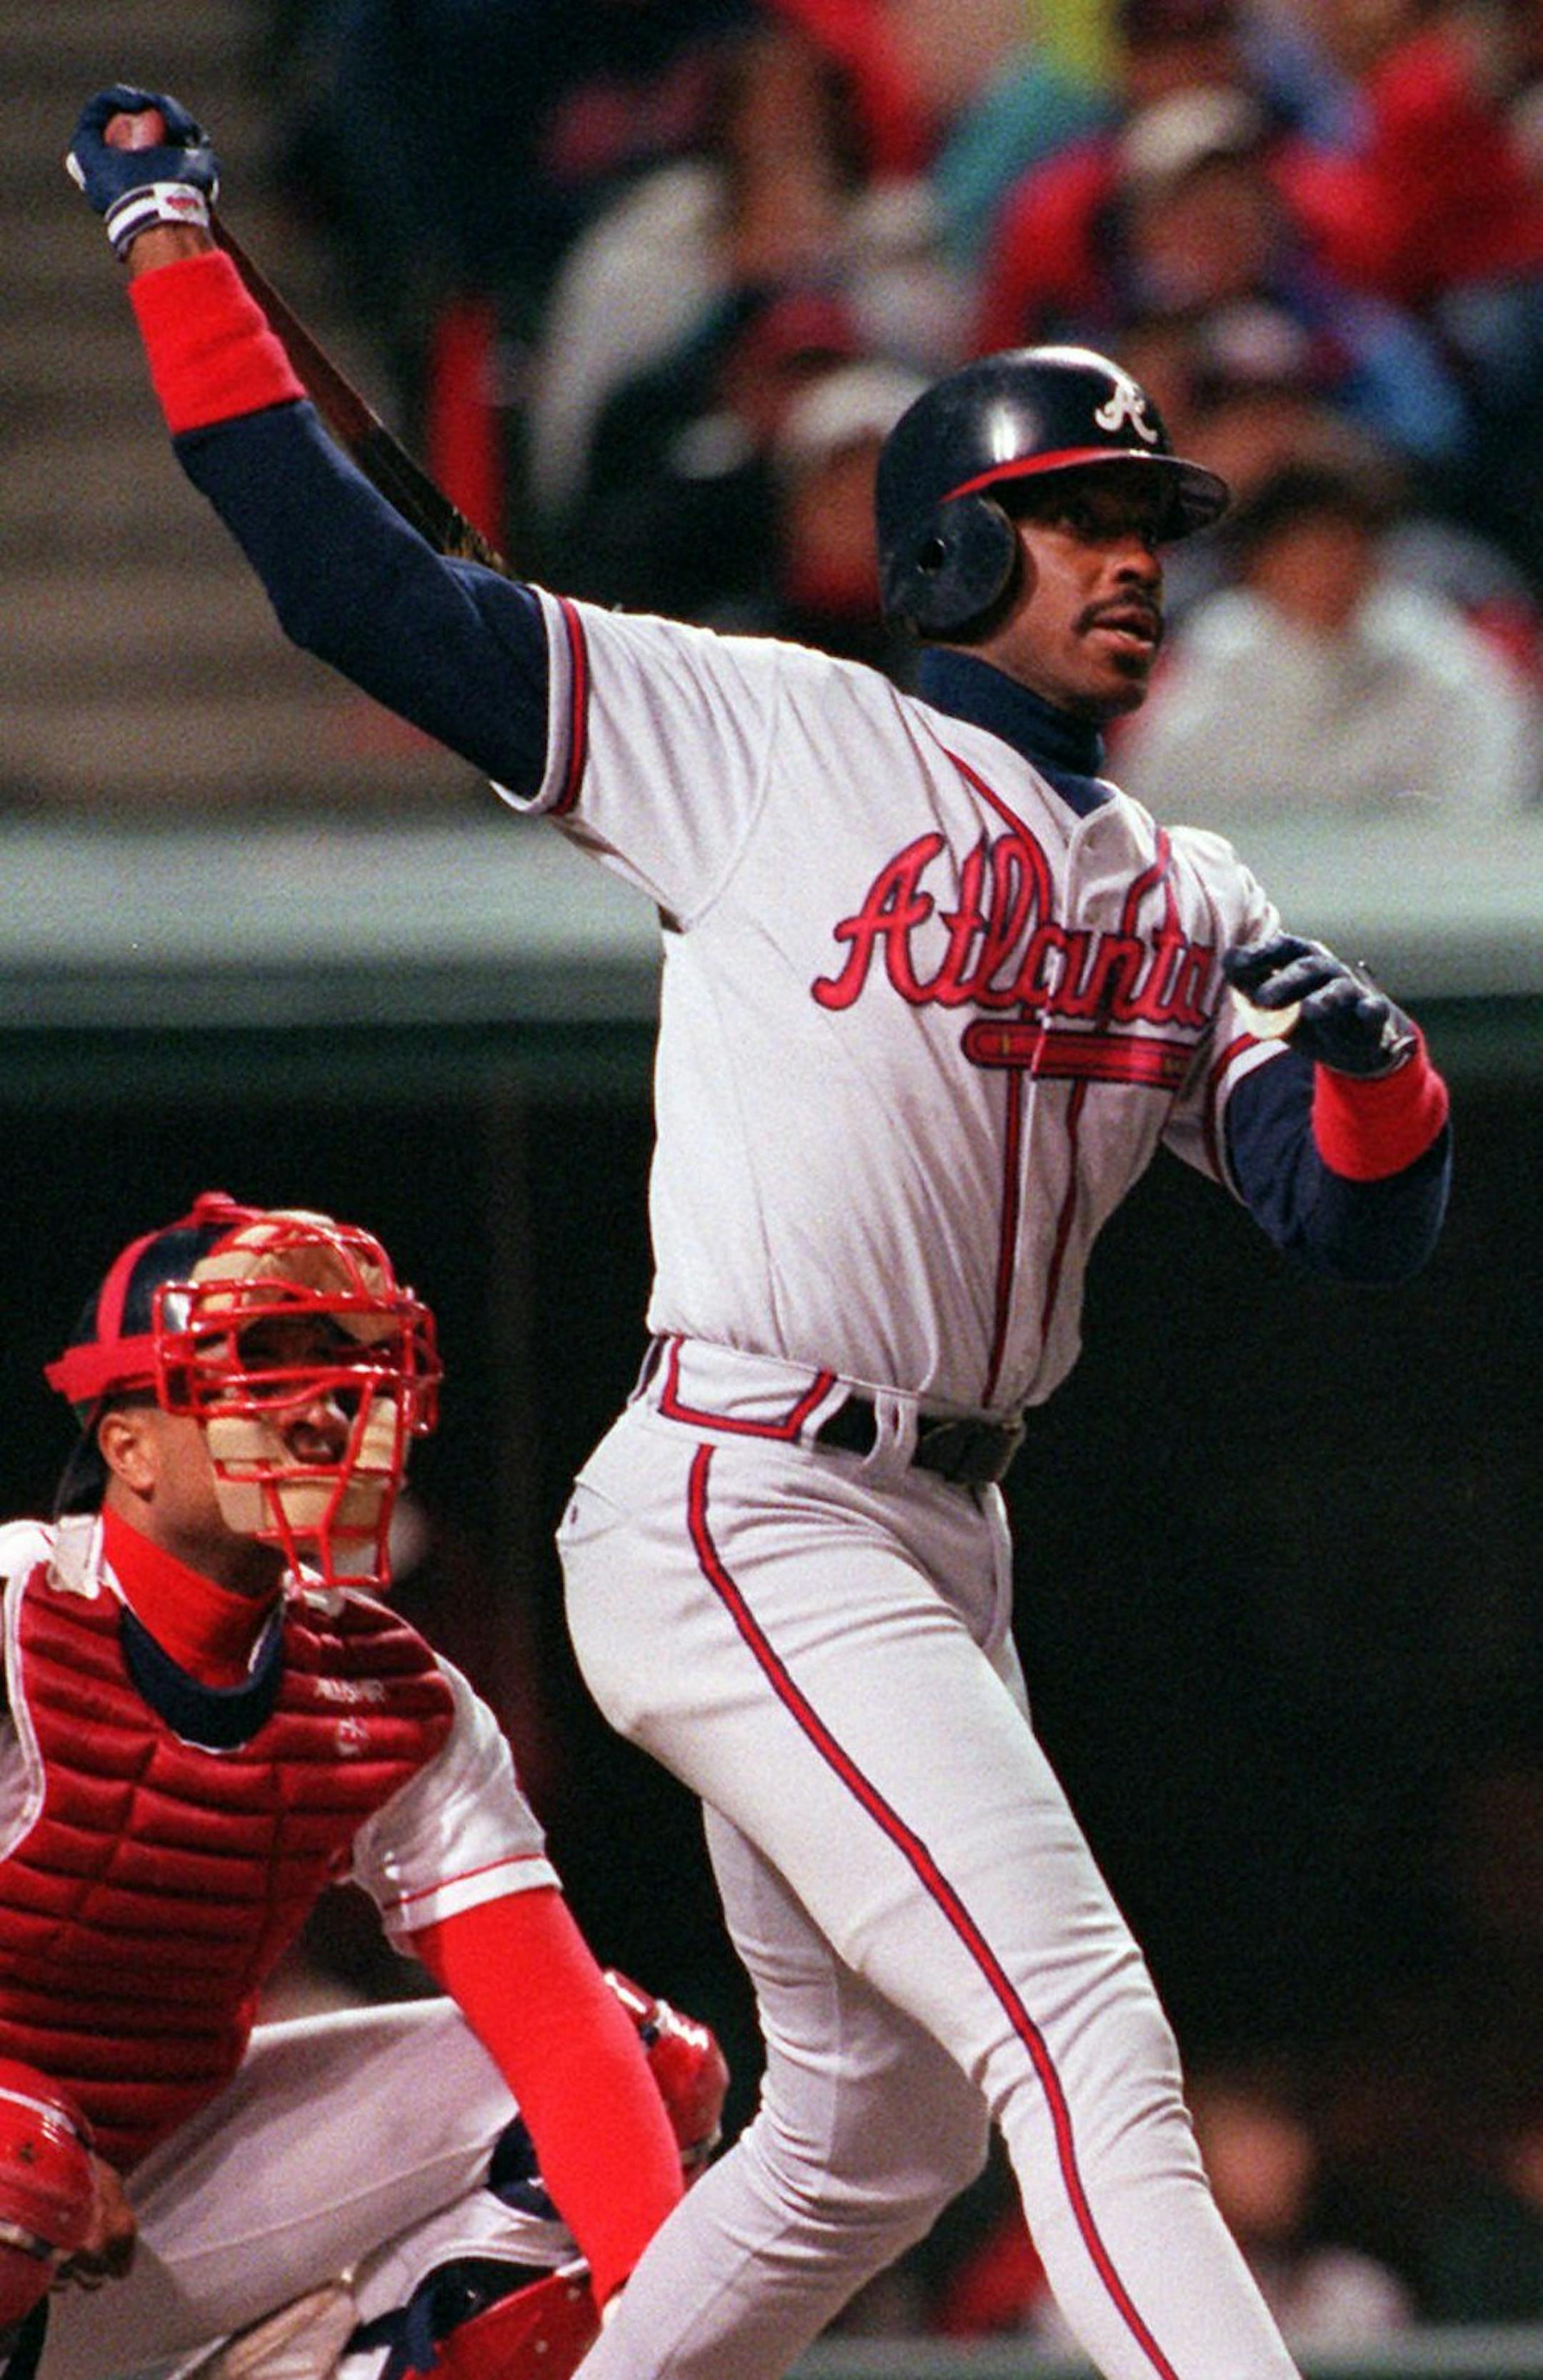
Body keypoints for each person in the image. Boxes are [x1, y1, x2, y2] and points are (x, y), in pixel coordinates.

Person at [65, 86, 1454, 2380]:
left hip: (938, 1534)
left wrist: (1387, 1095)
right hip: (747, 1487)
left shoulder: (1185, 886)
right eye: (1072, 516)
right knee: (1088, 2027)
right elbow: (355, 590)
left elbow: (1341, 1223)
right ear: (939, 560)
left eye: (1146, 517)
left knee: (861, 2137)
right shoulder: (764, 733)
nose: (1134, 556)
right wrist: (172, 249)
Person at [0, 1187, 726, 2380]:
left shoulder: (393, 1691)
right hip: (29, 2188)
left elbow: (559, 2040)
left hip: (118, 2221)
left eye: (350, 1364)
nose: (327, 1404)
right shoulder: (18, 1619)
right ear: (126, 1443)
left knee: (647, 2069)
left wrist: (666, 2335)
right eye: (262, 1362)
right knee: (18, 2157)